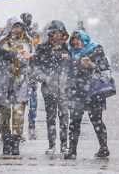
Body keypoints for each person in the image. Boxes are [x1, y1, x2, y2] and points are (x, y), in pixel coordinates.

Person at [64, 30, 111, 159]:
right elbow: (67, 69)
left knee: (96, 120)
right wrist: (76, 63)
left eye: (78, 44)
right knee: (74, 121)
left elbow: (105, 67)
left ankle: (104, 147)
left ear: (84, 41)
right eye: (74, 44)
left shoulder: (96, 49)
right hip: (76, 90)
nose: (76, 47)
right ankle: (72, 151)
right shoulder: (69, 53)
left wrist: (92, 65)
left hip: (93, 91)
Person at [0, 16, 35, 156]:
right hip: (4, 82)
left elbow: (33, 60)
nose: (17, 29)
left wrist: (28, 58)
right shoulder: (1, 43)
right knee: (4, 114)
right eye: (14, 26)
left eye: (19, 26)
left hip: (21, 81)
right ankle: (6, 141)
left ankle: (16, 142)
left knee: (18, 113)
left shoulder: (28, 42)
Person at [33, 20, 71, 154]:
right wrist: (46, 78)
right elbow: (36, 68)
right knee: (51, 117)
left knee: (65, 116)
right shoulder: (42, 49)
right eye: (55, 33)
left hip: (65, 90)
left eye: (60, 33)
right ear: (50, 34)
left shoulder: (68, 49)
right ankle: (52, 144)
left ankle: (64, 144)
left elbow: (72, 67)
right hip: (48, 90)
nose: (57, 36)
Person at [21, 12, 40, 139]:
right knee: (25, 100)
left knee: (31, 100)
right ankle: (28, 121)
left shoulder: (33, 35)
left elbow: (38, 52)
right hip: (23, 73)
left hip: (31, 72)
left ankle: (31, 120)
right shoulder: (19, 34)